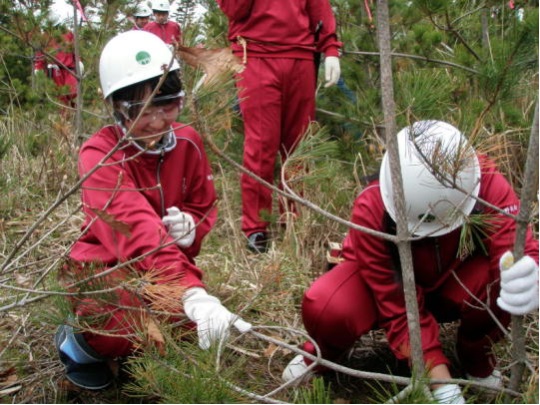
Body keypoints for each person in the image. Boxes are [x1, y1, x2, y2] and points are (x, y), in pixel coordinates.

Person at [282, 120, 539, 403]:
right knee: (327, 305)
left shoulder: (481, 179)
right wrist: (442, 385)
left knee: (506, 280)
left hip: (455, 279)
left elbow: (515, 247)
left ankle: (474, 356)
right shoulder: (373, 205)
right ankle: (324, 353)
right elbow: (398, 306)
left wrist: (527, 271)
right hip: (386, 293)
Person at [54, 30, 251, 390]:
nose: (158, 120)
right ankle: (77, 344)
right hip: (103, 267)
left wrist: (192, 226)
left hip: (162, 269)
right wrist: (190, 290)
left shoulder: (189, 141)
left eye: (168, 103)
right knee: (121, 321)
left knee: (188, 327)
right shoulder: (99, 155)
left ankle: (138, 356)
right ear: (114, 105)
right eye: (140, 110)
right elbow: (133, 226)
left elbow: (203, 204)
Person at [216, 0, 342, 253]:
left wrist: (330, 49)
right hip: (255, 55)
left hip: (301, 56)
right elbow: (233, 9)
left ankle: (293, 221)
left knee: (298, 146)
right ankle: (256, 229)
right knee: (261, 144)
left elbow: (318, 7)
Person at [33, 5, 82, 110]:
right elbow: (40, 56)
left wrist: (79, 62)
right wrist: (39, 69)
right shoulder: (44, 37)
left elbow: (75, 51)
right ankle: (65, 122)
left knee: (72, 93)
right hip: (54, 73)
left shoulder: (68, 34)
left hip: (70, 70)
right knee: (60, 100)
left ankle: (73, 114)